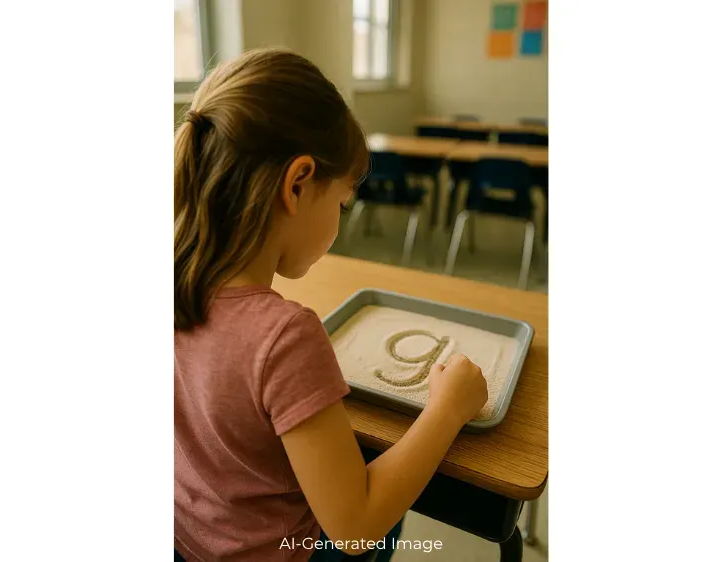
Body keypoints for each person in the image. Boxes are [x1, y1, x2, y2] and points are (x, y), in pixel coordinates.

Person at [174, 48, 488, 562]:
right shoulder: (284, 335)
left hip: (192, 544)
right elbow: (354, 527)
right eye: (342, 203)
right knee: (387, 520)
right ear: (298, 184)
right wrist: (448, 409)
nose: (340, 224)